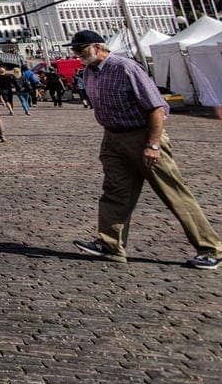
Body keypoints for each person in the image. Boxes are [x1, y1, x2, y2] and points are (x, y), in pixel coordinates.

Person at [67, 31, 219, 270]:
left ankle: (210, 248)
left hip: (143, 135)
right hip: (113, 138)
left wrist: (153, 144)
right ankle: (111, 245)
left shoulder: (126, 68)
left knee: (173, 192)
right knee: (115, 192)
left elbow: (157, 108)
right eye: (74, 51)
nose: (77, 55)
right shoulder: (88, 73)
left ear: (98, 47)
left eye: (81, 50)